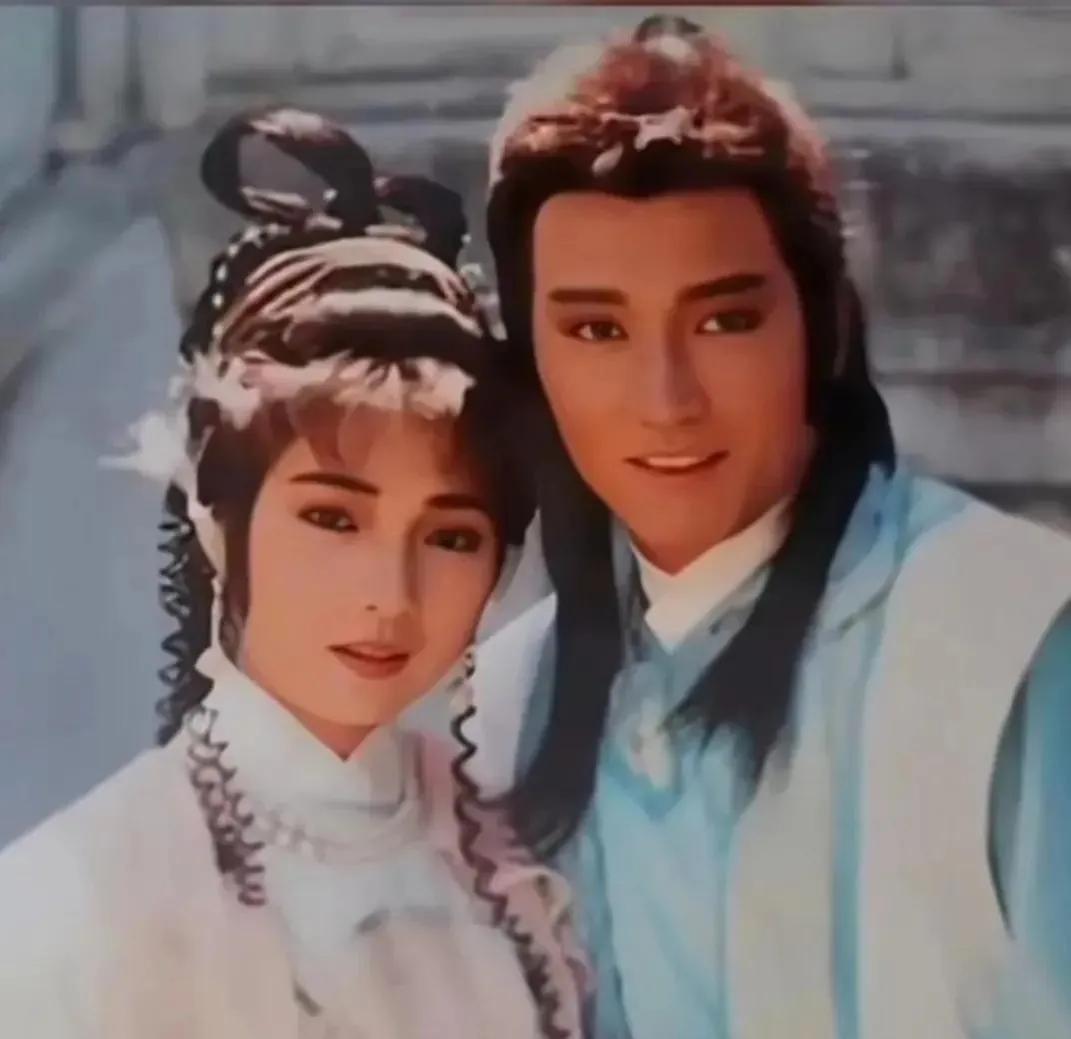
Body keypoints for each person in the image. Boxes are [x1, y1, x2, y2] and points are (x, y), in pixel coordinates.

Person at [465, 16, 1071, 1038]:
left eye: (724, 320)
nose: (665, 399)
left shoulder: (1010, 639)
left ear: (820, 326)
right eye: (596, 330)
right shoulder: (498, 711)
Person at [0, 108, 586, 1039]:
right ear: (217, 520)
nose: (389, 593)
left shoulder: (525, 880)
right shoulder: (68, 905)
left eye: (449, 536)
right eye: (332, 519)